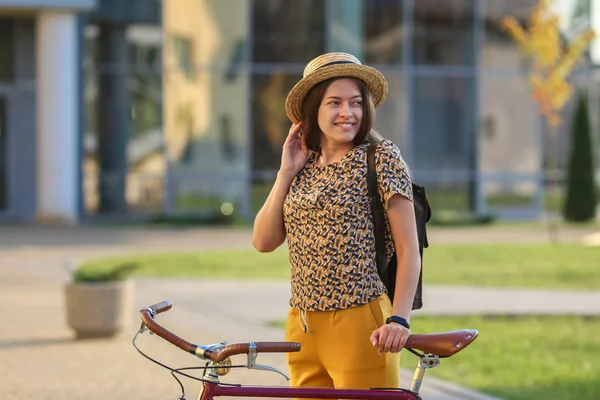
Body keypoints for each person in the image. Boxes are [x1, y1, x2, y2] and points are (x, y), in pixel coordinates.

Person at [252, 52, 421, 392]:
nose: (348, 113)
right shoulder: (302, 165)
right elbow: (263, 241)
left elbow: (408, 249)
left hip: (361, 322)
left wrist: (399, 319)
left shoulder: (382, 157)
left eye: (356, 103)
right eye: (334, 103)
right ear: (312, 110)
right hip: (302, 324)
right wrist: (286, 172)